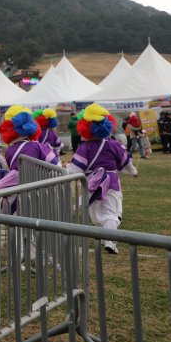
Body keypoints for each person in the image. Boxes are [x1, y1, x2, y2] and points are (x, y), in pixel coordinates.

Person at [67, 104, 138, 254]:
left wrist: (64, 169)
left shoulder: (84, 148)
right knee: (112, 213)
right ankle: (110, 241)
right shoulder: (114, 145)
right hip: (111, 183)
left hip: (91, 185)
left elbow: (75, 169)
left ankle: (104, 237)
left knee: (97, 213)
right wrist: (133, 171)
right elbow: (126, 162)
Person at [0, 105, 59, 213]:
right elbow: (57, 168)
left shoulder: (9, 151)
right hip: (39, 197)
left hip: (17, 198)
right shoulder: (38, 147)